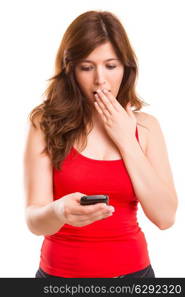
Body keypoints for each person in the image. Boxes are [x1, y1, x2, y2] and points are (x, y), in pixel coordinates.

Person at [23, 10, 178, 278]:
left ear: (125, 68)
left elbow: (165, 217)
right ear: (70, 70)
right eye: (87, 67)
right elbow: (35, 221)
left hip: (134, 278)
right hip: (59, 278)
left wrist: (127, 141)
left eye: (111, 65)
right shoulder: (44, 123)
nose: (100, 80)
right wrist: (59, 211)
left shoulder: (146, 127)